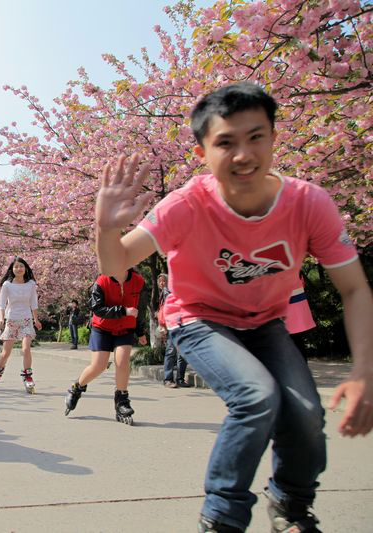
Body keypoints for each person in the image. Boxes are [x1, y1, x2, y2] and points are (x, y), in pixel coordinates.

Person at [94, 82, 373, 532]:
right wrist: (106, 229)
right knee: (255, 395)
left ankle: (290, 505)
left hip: (265, 323)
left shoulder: (308, 203)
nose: (243, 155)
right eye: (226, 143)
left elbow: (355, 289)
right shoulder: (186, 204)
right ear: (202, 152)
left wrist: (364, 372)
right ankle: (222, 518)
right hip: (198, 319)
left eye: (256, 137)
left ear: (274, 138)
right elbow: (117, 265)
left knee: (306, 413)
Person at [64, 270, 147, 423]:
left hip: (125, 327)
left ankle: (122, 402)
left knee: (122, 362)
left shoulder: (138, 281)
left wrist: (140, 331)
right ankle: (77, 388)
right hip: (102, 327)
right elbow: (97, 308)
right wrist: (123, 310)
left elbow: (139, 309)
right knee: (99, 366)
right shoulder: (102, 281)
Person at [0, 257, 42, 393]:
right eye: (16, 267)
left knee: (26, 349)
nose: (19, 269)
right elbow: (2, 303)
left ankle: (27, 376)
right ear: (12, 269)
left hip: (26, 319)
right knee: (6, 353)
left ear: (26, 268)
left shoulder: (31, 284)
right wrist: (1, 319)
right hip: (12, 319)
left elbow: (34, 302)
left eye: (21, 266)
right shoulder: (7, 285)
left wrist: (36, 319)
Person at [158, 273, 191, 388]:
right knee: (172, 352)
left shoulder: (175, 291)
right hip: (172, 325)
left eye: (164, 281)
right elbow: (165, 311)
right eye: (160, 281)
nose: (162, 283)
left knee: (180, 353)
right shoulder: (165, 293)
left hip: (181, 324)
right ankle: (169, 379)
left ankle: (178, 379)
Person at [285, 271, 316, 361]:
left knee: (292, 343)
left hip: (289, 313)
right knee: (298, 342)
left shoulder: (281, 275)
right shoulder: (298, 273)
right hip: (299, 314)